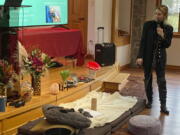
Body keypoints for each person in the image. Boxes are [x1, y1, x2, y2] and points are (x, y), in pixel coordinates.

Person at [136, 5, 173, 115]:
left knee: (161, 81)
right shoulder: (148, 25)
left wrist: (162, 35)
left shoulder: (169, 28)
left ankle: (163, 105)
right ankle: (150, 101)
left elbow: (167, 44)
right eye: (155, 13)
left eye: (159, 14)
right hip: (147, 57)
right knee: (147, 79)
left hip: (160, 58)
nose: (157, 16)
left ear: (165, 15)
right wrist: (140, 56)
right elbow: (143, 41)